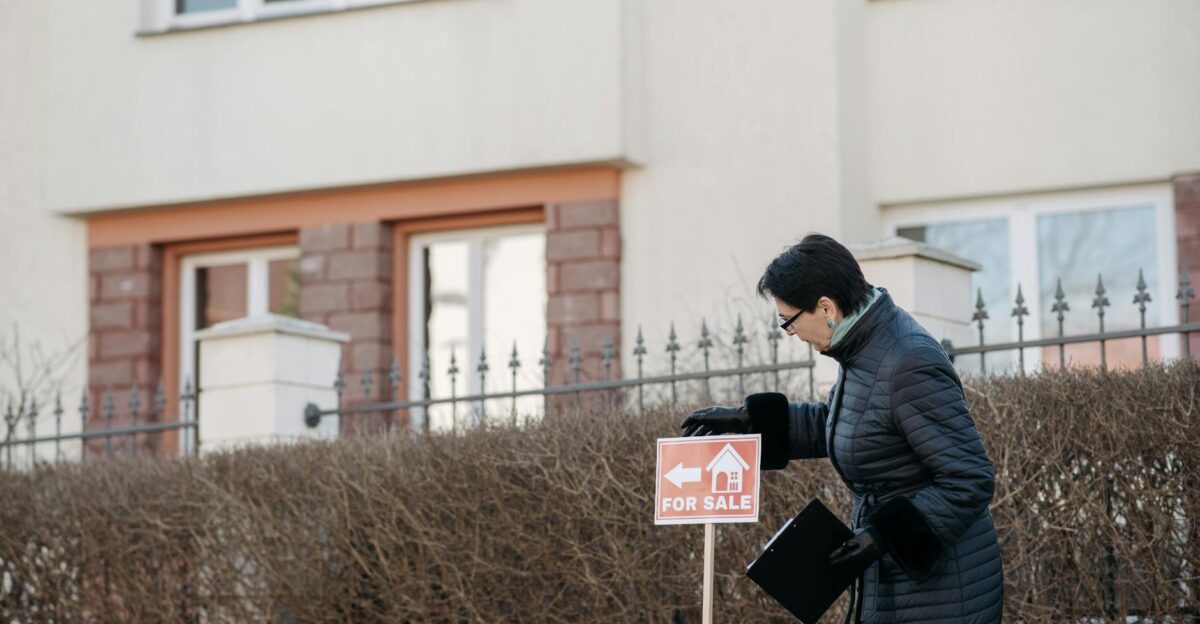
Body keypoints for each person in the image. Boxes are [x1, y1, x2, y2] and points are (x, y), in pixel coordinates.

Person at [681, 234, 1003, 623]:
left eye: (789, 321)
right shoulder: (865, 348)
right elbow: (843, 424)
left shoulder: (907, 363)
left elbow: (969, 478)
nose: (792, 333)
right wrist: (749, 423)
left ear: (826, 307)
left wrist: (885, 535)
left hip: (944, 591)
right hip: (898, 577)